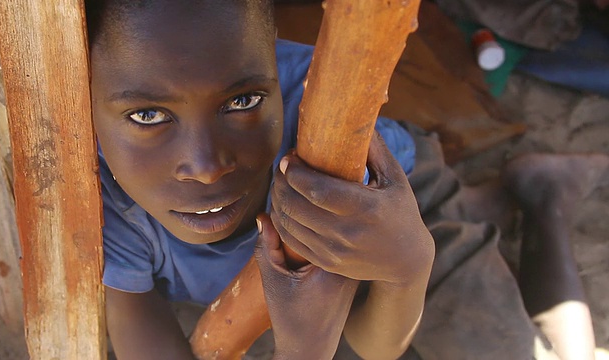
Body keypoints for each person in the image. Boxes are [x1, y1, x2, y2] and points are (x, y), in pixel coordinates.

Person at [85, 0, 605, 359]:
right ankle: (489, 200)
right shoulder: (100, 198)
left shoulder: (325, 144)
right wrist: (302, 348)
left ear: (272, 62)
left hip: (392, 210)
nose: (204, 166)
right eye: (148, 116)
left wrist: (406, 268)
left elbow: (377, 343)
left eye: (241, 102)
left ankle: (544, 196)